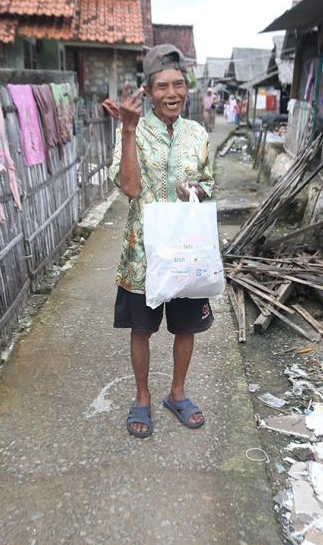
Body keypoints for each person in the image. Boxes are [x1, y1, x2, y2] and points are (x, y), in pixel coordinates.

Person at [108, 44, 215, 439]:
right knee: (143, 329)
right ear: (149, 93)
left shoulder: (197, 133)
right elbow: (131, 188)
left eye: (179, 84)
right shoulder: (133, 130)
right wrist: (130, 127)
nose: (172, 94)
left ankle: (177, 393)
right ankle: (142, 397)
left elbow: (209, 182)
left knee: (185, 328)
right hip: (144, 255)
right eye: (163, 86)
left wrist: (196, 191)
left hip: (187, 251)